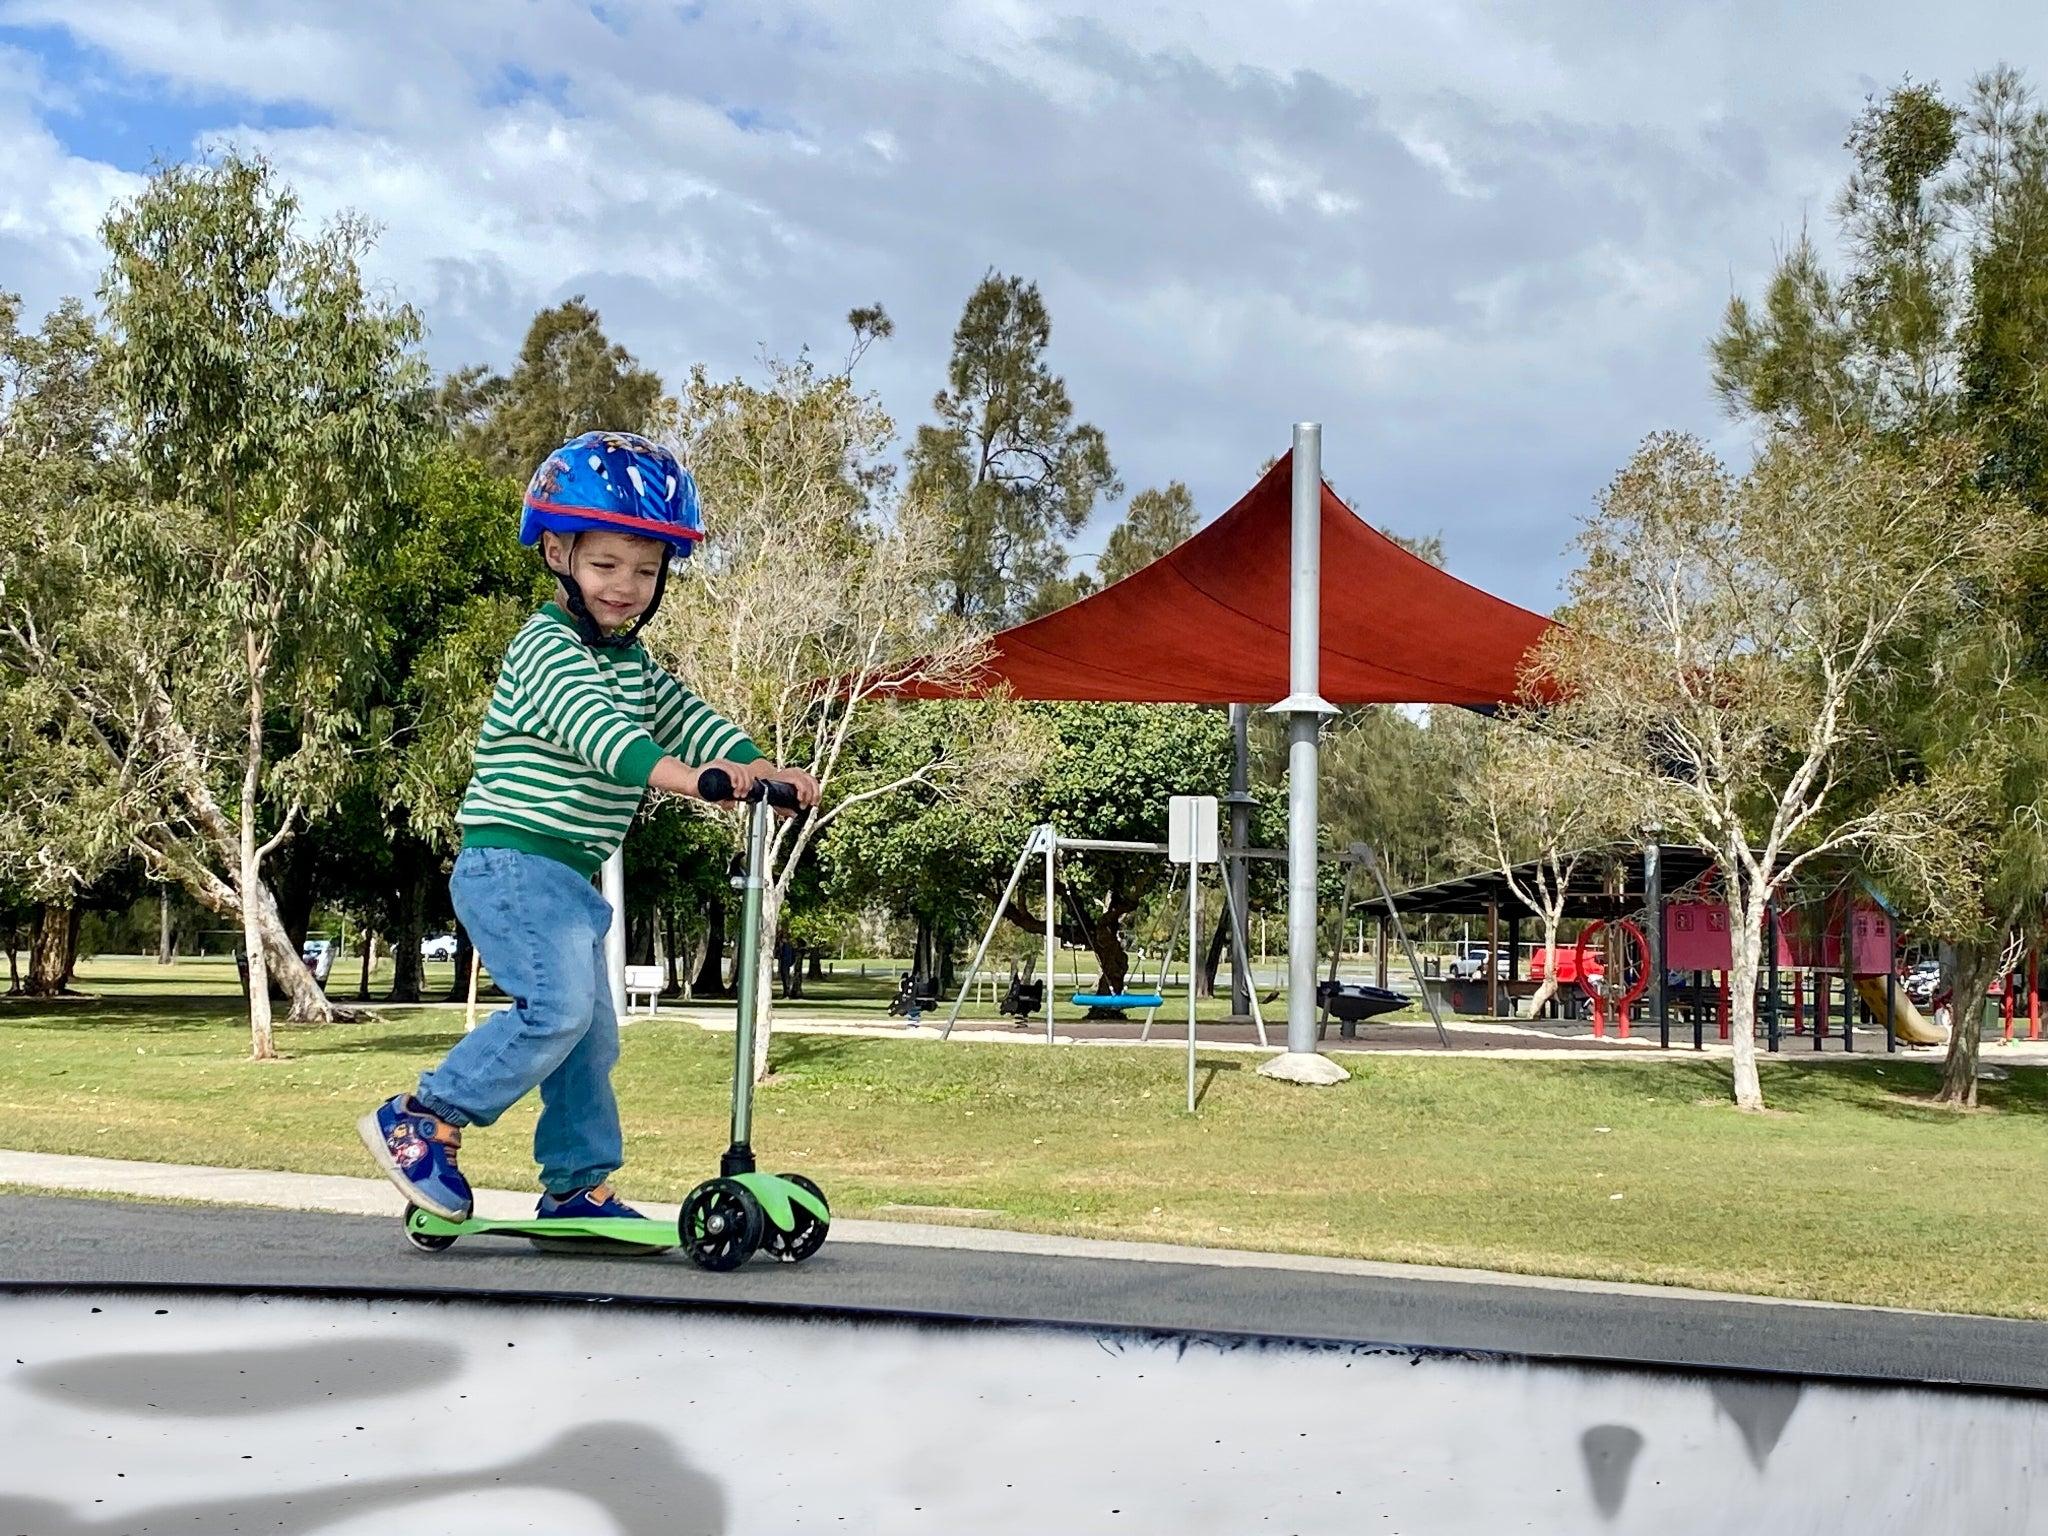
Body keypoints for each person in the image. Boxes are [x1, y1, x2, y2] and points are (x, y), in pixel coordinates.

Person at [357, 430, 818, 1237]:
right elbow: (600, 733)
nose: (627, 586)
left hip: (565, 877)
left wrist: (756, 764)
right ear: (558, 555)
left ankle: (576, 1186)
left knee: (589, 1041)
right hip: (513, 861)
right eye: (606, 564)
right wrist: (691, 780)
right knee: (557, 1011)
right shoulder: (547, 648)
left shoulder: (630, 662)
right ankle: (423, 1117)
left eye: (646, 570)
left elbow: (684, 716)